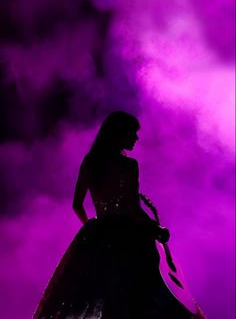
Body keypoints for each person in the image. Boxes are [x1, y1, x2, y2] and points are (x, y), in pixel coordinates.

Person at [33, 110, 203, 319]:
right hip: (129, 238)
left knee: (101, 296)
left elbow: (77, 204)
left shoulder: (90, 162)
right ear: (118, 134)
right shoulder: (129, 166)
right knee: (138, 297)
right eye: (132, 133)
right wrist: (155, 228)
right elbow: (133, 209)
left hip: (99, 237)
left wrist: (93, 228)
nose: (136, 138)